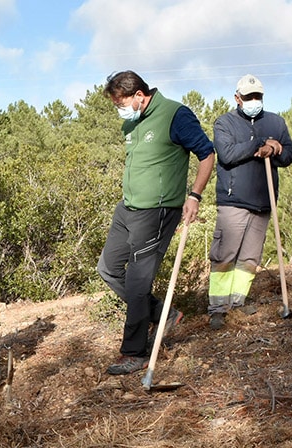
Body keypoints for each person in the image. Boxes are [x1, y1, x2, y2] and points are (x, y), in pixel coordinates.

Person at [98, 70, 215, 375]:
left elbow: (206, 154)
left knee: (137, 282)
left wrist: (195, 196)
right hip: (127, 209)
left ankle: (134, 353)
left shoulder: (175, 114)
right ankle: (164, 313)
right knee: (108, 269)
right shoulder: (132, 122)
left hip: (158, 211)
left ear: (139, 95)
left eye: (121, 102)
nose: (119, 110)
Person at [207, 74, 292, 330]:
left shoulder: (276, 122)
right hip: (233, 201)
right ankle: (218, 308)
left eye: (257, 96)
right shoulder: (224, 122)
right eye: (248, 97)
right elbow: (226, 154)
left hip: (263, 201)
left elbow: (290, 153)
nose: (253, 101)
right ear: (237, 98)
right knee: (225, 256)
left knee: (249, 259)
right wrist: (258, 144)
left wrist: (276, 149)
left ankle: (237, 302)